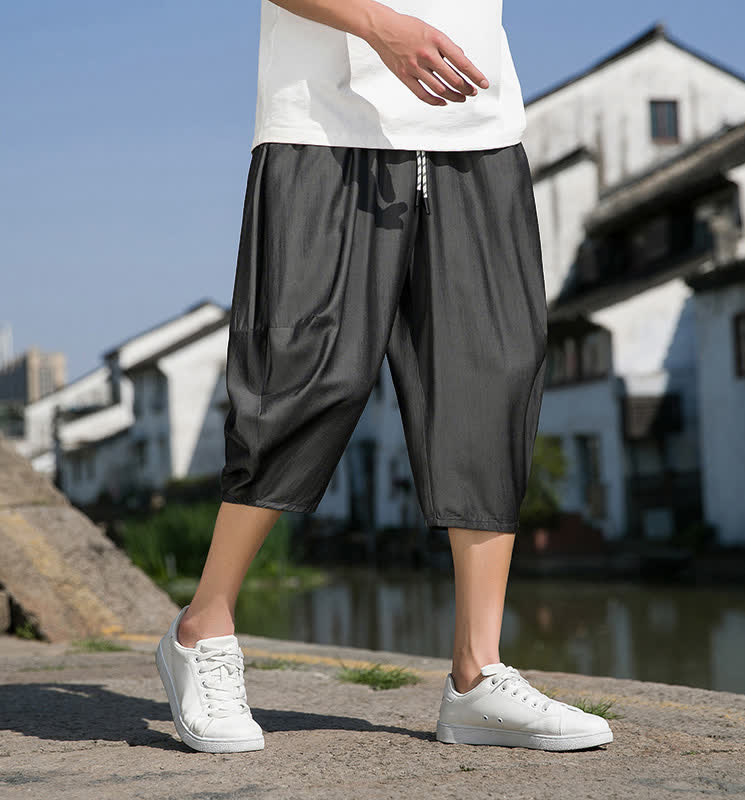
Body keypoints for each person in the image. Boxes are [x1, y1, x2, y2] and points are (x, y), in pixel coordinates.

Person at [156, 0, 614, 754]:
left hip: (476, 124)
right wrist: (377, 25)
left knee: (490, 373)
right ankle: (202, 628)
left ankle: (477, 674)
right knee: (305, 371)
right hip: (325, 123)